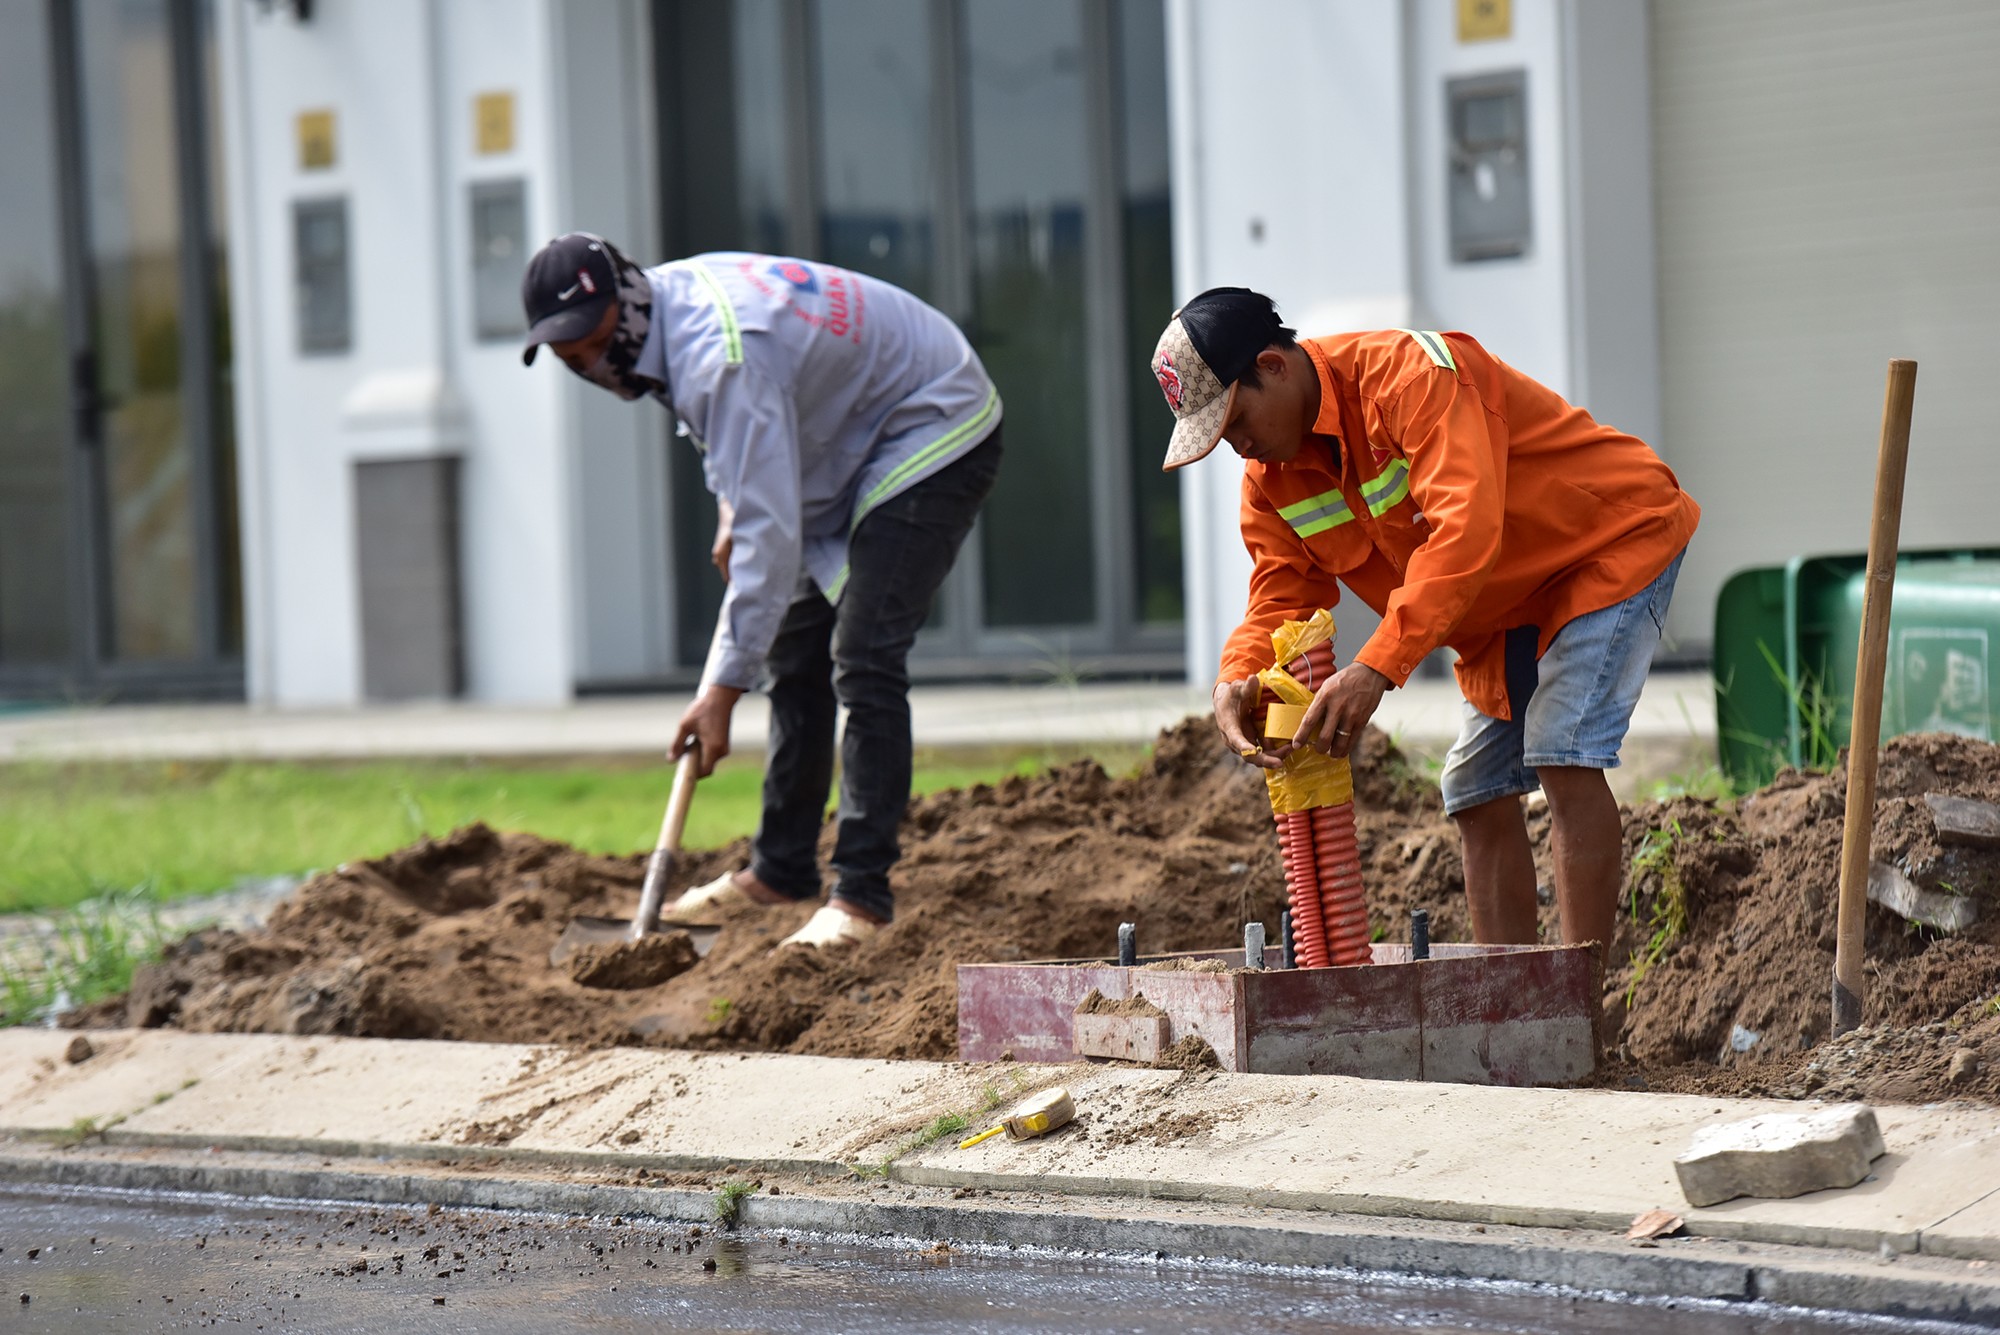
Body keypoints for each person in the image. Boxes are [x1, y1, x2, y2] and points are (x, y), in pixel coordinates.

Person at [1150, 289, 1699, 958]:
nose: (1238, 446)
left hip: (1604, 542)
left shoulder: (1412, 378)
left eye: (1236, 421)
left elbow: (1465, 534)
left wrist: (1376, 666)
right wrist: (1235, 678)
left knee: (1563, 749)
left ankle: (1578, 1014)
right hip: (1500, 606)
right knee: (1474, 788)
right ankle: (1514, 1007)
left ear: (1274, 365)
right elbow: (1280, 590)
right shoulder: (1271, 479)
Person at [521, 234, 1001, 948]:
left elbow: (768, 540)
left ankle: (861, 898)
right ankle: (780, 870)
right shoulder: (662, 310)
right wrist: (733, 506)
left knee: (864, 651)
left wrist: (718, 692)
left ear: (623, 305)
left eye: (590, 343)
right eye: (567, 359)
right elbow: (742, 439)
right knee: (795, 642)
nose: (589, 364)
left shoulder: (719, 354)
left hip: (933, 421)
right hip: (847, 437)